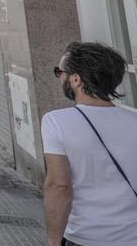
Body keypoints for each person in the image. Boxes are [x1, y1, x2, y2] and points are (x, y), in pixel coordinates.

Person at [42, 42, 137, 246]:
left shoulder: (56, 122)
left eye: (60, 72)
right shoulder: (134, 120)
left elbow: (59, 186)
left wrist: (52, 240)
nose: (60, 77)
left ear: (76, 79)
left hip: (86, 236)